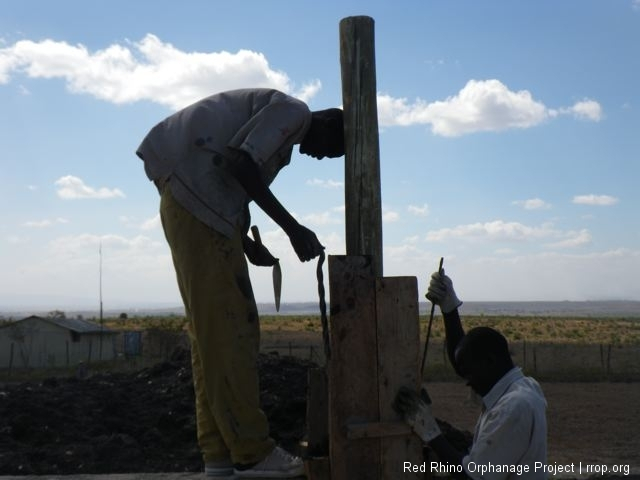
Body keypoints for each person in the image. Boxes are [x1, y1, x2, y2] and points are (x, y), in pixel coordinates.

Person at [136, 88, 344, 478]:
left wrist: (245, 240)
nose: (322, 158)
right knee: (233, 331)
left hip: (193, 205)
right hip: (194, 206)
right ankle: (252, 452)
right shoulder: (295, 113)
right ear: (331, 123)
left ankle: (218, 455)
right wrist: (294, 229)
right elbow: (240, 164)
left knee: (210, 338)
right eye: (333, 150)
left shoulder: (279, 124)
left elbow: (226, 174)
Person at [394, 270, 547, 480]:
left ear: (490, 361)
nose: (466, 381)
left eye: (470, 373)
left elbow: (471, 478)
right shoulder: (522, 387)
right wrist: (449, 310)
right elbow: (464, 362)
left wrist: (430, 431)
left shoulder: (513, 408)